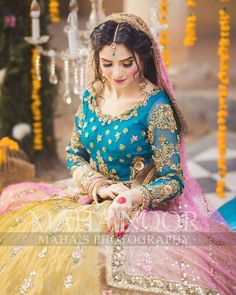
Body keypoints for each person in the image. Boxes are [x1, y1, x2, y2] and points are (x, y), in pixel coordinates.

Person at [0, 13, 235, 295]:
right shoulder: (92, 95)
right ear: (96, 60)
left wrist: (131, 197)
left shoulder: (155, 107)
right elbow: (74, 153)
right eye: (107, 64)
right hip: (88, 196)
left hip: (136, 209)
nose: (117, 73)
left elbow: (174, 180)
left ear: (143, 59)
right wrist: (97, 185)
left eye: (127, 63)